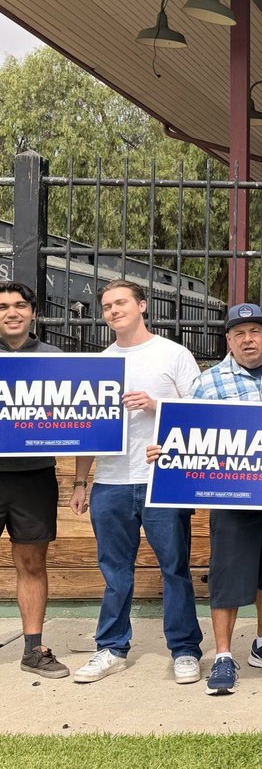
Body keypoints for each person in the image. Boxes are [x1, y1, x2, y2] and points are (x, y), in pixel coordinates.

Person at [145, 302, 262, 696]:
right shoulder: (208, 382)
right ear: (228, 340)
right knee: (227, 578)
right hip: (230, 498)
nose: (248, 339)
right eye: (239, 333)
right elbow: (185, 434)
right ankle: (224, 655)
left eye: (255, 331)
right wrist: (165, 451)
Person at [70, 280, 203, 685]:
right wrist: (80, 481)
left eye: (121, 302)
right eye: (106, 306)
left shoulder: (173, 354)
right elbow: (87, 429)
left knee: (174, 568)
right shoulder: (100, 364)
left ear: (142, 305)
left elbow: (202, 413)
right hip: (110, 482)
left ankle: (185, 649)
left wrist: (155, 405)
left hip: (162, 480)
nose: (113, 310)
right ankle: (111, 647)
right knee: (114, 571)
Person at [0, 281, 69, 679]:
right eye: (3, 306)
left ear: (33, 313)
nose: (12, 312)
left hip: (33, 476)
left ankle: (33, 650)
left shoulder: (54, 358)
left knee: (31, 563)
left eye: (20, 305)